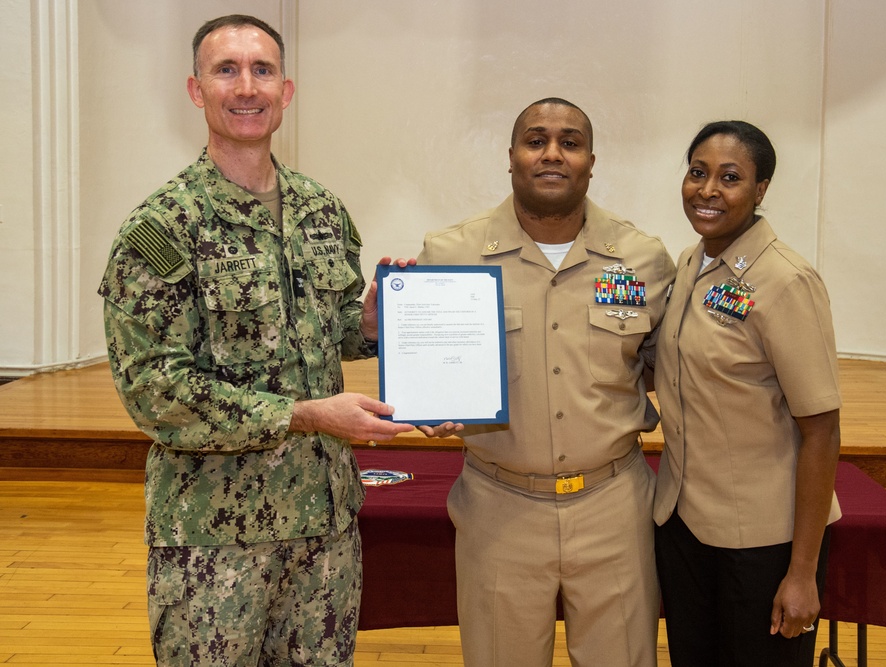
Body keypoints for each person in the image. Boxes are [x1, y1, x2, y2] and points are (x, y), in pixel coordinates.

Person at [99, 14, 413, 666]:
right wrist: (303, 415)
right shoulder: (161, 229)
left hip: (322, 528)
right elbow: (156, 391)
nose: (247, 86)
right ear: (195, 90)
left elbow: (324, 334)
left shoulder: (321, 210)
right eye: (226, 69)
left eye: (262, 70)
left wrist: (374, 323)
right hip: (214, 539)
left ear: (286, 91)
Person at [417, 98, 676, 666]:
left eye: (570, 142)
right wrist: (425, 404)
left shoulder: (643, 259)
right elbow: (428, 367)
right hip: (498, 505)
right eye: (535, 140)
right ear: (511, 157)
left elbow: (667, 368)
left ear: (590, 161)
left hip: (614, 506)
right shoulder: (451, 254)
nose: (552, 153)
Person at [652, 120, 841, 667]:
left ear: (760, 191)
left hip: (764, 541)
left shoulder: (786, 281)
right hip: (684, 522)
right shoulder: (692, 264)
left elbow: (822, 430)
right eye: (697, 172)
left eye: (730, 177)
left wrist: (802, 572)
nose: (708, 190)